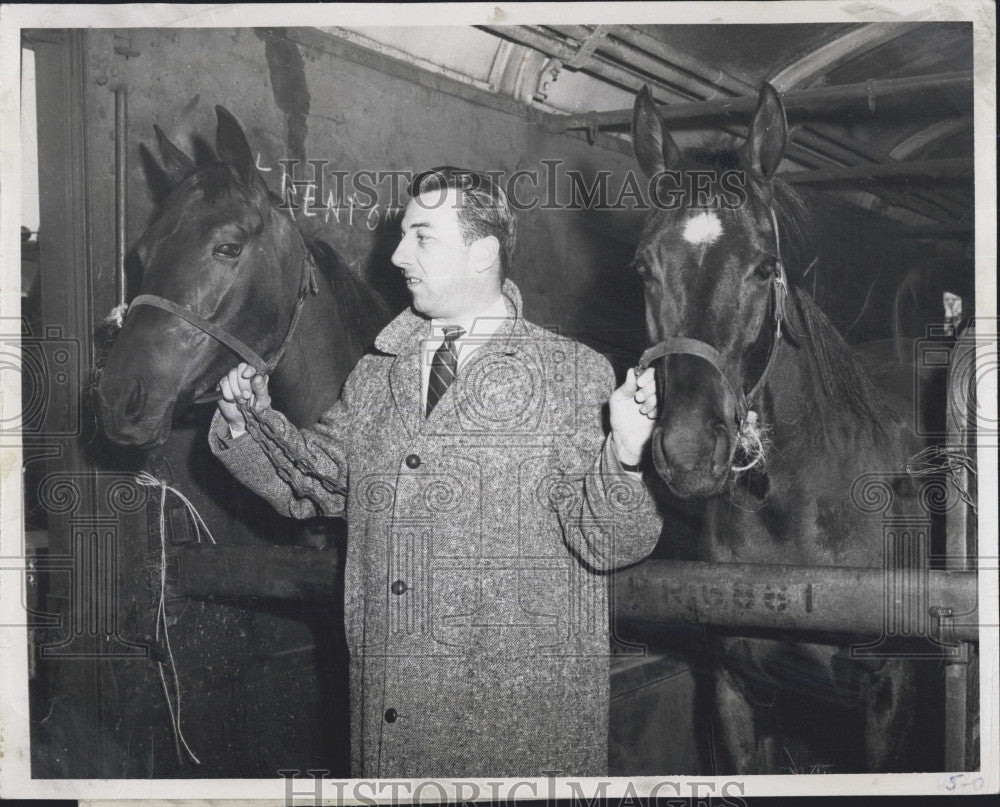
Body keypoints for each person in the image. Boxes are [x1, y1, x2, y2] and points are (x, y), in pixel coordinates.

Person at [209, 167, 663, 778]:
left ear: (483, 253)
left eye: (422, 236)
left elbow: (609, 541)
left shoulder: (570, 375)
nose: (397, 255)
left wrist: (625, 454)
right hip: (393, 725)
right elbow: (316, 484)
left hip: (522, 736)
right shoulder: (377, 375)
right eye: (402, 235)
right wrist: (248, 422)